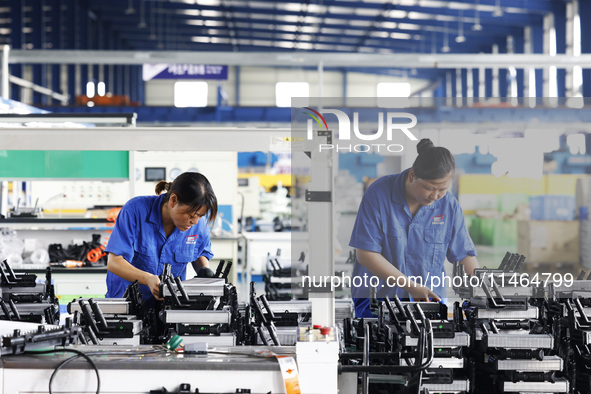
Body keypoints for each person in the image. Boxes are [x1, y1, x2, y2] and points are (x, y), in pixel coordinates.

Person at [349, 138, 479, 317]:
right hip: (378, 303)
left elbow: (465, 255)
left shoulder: (449, 206)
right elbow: (366, 254)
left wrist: (482, 291)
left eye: (442, 189)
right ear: (412, 175)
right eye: (429, 188)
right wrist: (411, 287)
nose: (435, 196)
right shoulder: (378, 194)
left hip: (429, 303)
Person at [105, 172, 218, 306]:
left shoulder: (198, 222)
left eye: (200, 216)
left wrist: (205, 272)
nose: (195, 221)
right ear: (173, 200)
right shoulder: (135, 210)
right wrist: (147, 279)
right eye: (191, 215)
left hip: (169, 307)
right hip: (126, 306)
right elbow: (114, 262)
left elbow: (198, 252)